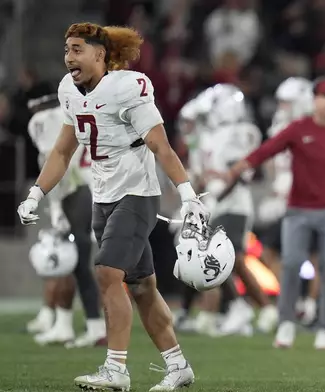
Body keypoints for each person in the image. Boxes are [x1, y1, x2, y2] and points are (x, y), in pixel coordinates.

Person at [16, 22, 207, 391]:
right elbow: (62, 150)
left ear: (100, 54)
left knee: (107, 273)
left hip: (137, 192)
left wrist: (188, 194)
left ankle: (116, 369)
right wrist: (36, 193)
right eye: (67, 49)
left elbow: (160, 145)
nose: (69, 57)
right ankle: (178, 365)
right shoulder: (68, 90)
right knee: (142, 287)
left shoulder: (126, 87)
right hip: (102, 195)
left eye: (77, 49)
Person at [225, 77, 325, 350]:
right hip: (299, 210)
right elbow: (268, 149)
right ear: (314, 99)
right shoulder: (299, 128)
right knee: (291, 265)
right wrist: (241, 166)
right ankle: (286, 324)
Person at [177, 83, 278, 336]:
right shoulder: (209, 137)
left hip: (234, 204)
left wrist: (217, 196)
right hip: (215, 202)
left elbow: (241, 173)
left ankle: (250, 308)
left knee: (231, 260)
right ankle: (239, 309)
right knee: (207, 257)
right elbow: (207, 175)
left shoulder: (243, 131)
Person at [25, 92, 106, 348]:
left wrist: (57, 208)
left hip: (76, 193)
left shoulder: (47, 119)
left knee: (76, 264)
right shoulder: (71, 117)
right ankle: (72, 324)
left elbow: (59, 165)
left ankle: (89, 326)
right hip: (85, 191)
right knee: (76, 265)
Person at [257, 77, 323, 327]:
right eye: (281, 102)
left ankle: (312, 306)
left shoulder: (315, 126)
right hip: (286, 201)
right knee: (270, 252)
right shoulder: (281, 126)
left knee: (318, 257)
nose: (282, 107)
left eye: (287, 102)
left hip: (311, 200)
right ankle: (295, 301)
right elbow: (272, 163)